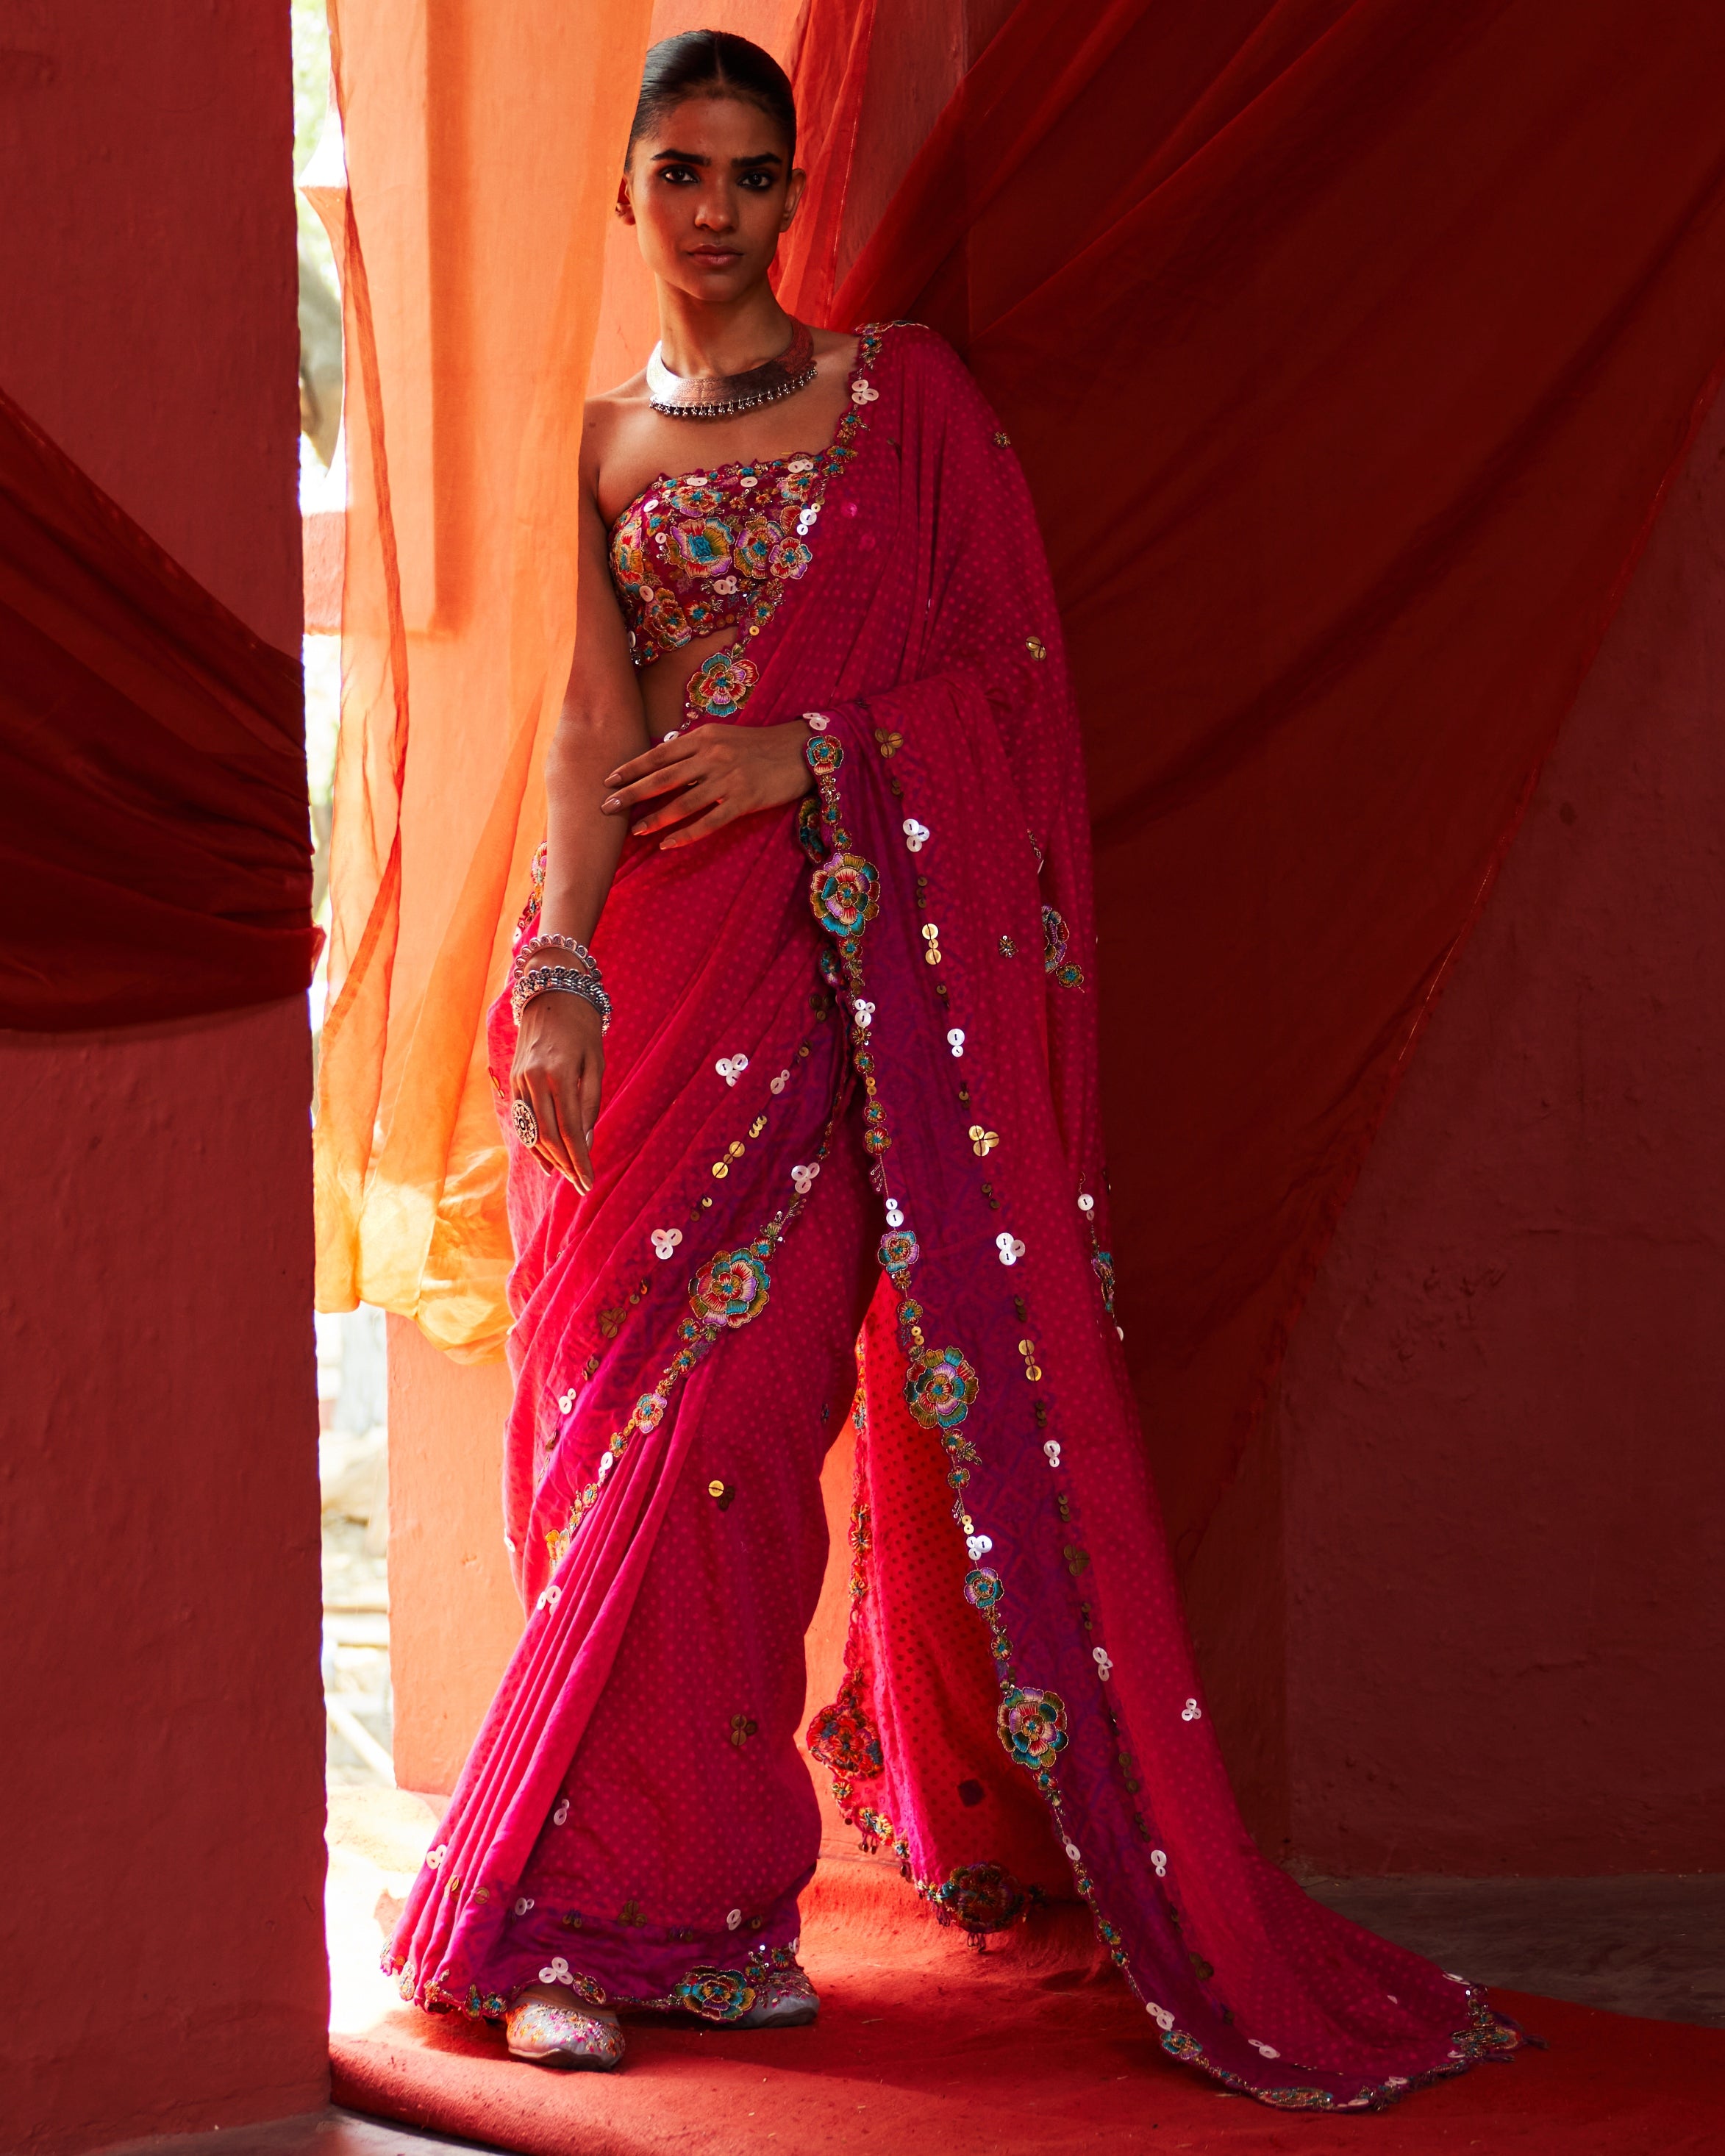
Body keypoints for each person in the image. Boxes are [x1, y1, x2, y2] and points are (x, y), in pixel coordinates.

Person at [387, 29, 1524, 2109]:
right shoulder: (599, 443)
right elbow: (573, 737)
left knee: (733, 1417)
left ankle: (666, 1908)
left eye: (752, 176)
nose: (716, 214)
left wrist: (806, 754)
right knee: (601, 1426)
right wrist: (552, 975)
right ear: (628, 192)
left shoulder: (900, 405)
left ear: (786, 194)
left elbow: (1003, 691)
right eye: (680, 173)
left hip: (824, 986)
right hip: (646, 980)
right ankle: (610, 1918)